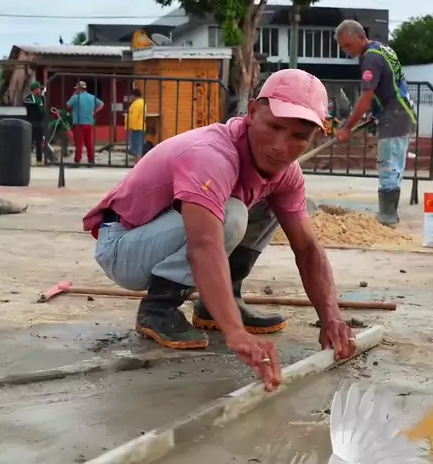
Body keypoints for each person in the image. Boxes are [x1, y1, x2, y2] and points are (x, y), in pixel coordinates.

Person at [83, 69, 356, 391]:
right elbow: (204, 245)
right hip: (123, 247)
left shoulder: (285, 172)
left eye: (299, 136)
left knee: (274, 204)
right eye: (274, 127)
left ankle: (217, 305)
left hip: (161, 238)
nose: (281, 147)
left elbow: (307, 248)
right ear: (252, 112)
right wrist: (236, 333)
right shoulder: (211, 155)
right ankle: (158, 307)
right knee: (230, 215)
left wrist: (331, 317)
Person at [335, 20, 416, 227]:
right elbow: (388, 85)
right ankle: (390, 214)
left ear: (361, 37)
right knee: (393, 164)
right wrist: (375, 113)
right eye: (343, 47)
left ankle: (388, 217)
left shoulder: (370, 58)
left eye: (348, 45)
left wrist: (347, 127)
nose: (346, 51)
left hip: (394, 116)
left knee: (388, 165)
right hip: (400, 111)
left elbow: (366, 96)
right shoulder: (382, 49)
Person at [66, 80, 104, 166]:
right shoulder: (91, 97)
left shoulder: (76, 97)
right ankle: (91, 160)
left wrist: (73, 95)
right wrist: (94, 112)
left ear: (79, 89)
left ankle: (77, 160)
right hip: (89, 123)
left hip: (79, 123)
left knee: (79, 143)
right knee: (89, 143)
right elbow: (101, 104)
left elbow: (68, 105)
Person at [24, 80, 45, 164]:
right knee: (29, 142)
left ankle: (39, 160)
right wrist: (39, 108)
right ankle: (26, 160)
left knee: (39, 142)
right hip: (31, 123)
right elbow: (33, 108)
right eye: (39, 89)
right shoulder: (28, 98)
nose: (40, 90)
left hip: (39, 123)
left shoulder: (41, 98)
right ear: (35, 89)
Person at [124, 87, 146, 164]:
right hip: (139, 126)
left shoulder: (136, 104)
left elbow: (134, 116)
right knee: (138, 144)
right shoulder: (141, 102)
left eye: (131, 96)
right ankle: (138, 161)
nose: (130, 98)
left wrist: (131, 127)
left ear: (134, 95)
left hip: (136, 127)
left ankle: (138, 162)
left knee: (136, 145)